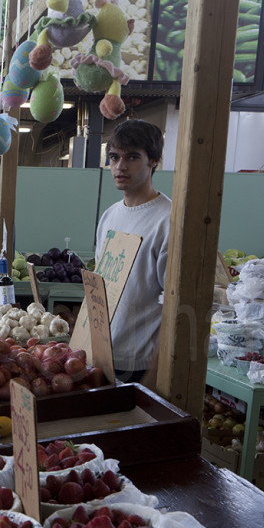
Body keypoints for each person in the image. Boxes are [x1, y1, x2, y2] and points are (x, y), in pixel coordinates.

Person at [95, 119, 172, 387]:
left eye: (132, 157)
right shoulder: (109, 216)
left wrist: (155, 376)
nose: (120, 166)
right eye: (114, 157)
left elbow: (174, 308)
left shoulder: (167, 220)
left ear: (154, 160)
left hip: (139, 364)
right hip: (104, 358)